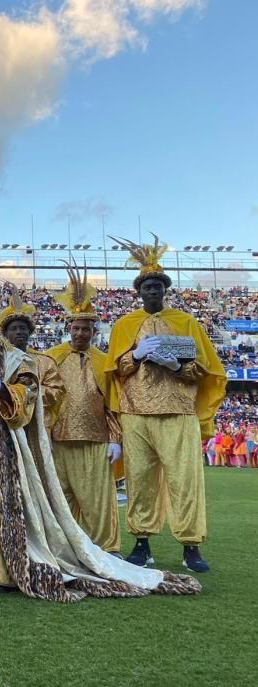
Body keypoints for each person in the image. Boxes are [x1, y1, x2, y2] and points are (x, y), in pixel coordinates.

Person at [0, 110, 199, 600]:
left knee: (1, 505)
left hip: (0, 450)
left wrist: (0, 387)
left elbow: (28, 397)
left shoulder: (13, 359)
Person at [106, 234, 227, 573]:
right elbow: (114, 370)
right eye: (147, 287)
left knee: (184, 479)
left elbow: (203, 370)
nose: (153, 292)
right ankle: (142, 544)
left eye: (158, 286)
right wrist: (135, 355)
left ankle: (191, 545)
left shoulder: (185, 323)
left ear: (165, 290)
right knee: (140, 480)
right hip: (136, 412)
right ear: (138, 292)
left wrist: (177, 365)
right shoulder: (124, 325)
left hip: (178, 410)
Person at [44, 263, 122, 554]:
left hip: (96, 438)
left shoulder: (104, 360)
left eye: (85, 329)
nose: (80, 333)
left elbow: (114, 402)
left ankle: (106, 548)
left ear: (93, 331)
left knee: (98, 498)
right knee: (58, 498)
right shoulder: (51, 357)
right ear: (68, 328)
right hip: (59, 438)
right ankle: (60, 547)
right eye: (75, 328)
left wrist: (116, 439)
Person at [0, 287, 64, 432]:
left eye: (22, 328)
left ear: (29, 332)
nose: (19, 331)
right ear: (5, 334)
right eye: (13, 329)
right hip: (5, 423)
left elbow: (56, 391)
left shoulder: (45, 361)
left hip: (37, 425)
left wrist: (26, 393)